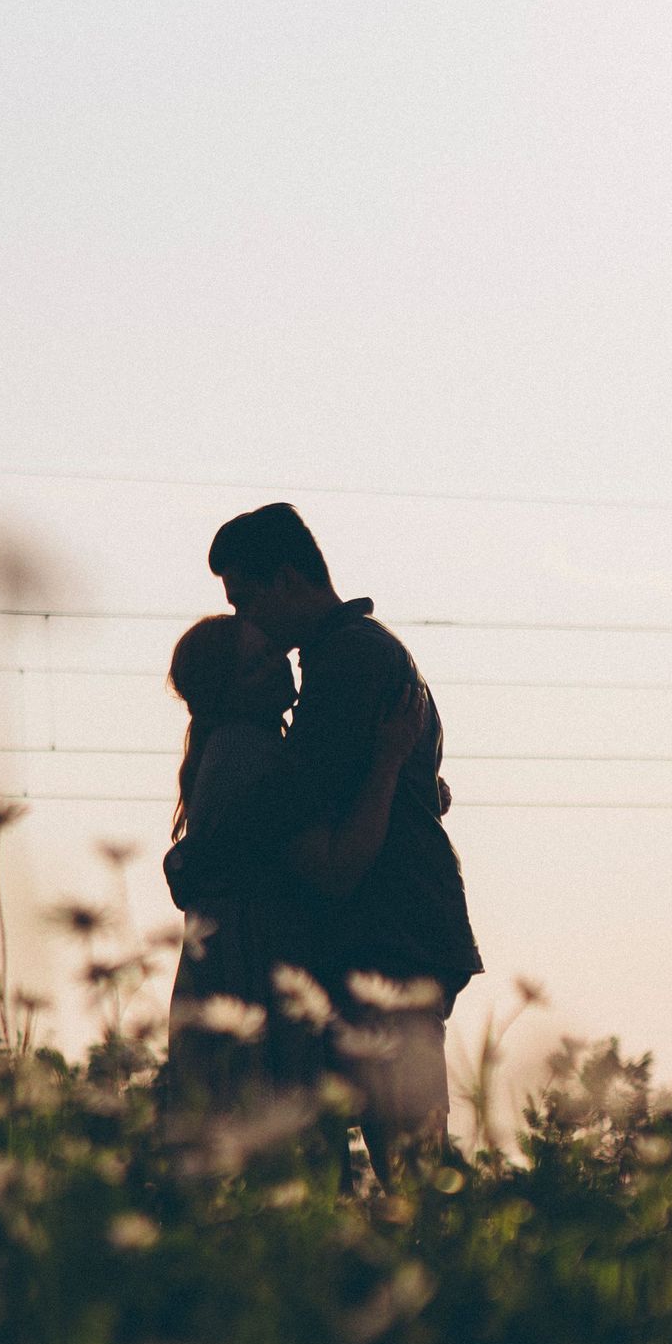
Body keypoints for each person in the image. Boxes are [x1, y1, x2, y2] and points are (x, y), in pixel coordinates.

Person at [207, 502, 483, 1174]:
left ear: (287, 579)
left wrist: (203, 847)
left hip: (388, 933)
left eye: (246, 600)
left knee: (409, 1156)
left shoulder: (347, 660)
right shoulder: (362, 652)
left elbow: (297, 794)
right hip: (401, 930)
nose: (245, 622)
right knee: (404, 1149)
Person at [162, 610, 424, 1103]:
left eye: (272, 652)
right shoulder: (251, 755)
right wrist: (388, 762)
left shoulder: (232, 750)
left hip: (232, 970)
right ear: (227, 694)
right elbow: (335, 867)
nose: (278, 666)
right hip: (254, 974)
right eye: (256, 665)